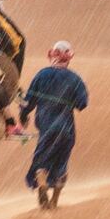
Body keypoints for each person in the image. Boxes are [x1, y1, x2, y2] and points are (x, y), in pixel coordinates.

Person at [21, 40, 90, 204]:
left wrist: (24, 116)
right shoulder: (75, 79)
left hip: (46, 126)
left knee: (41, 161)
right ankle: (54, 201)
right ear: (69, 58)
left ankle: (42, 182)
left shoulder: (41, 75)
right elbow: (82, 104)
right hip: (66, 128)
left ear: (51, 55)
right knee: (62, 162)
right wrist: (69, 100)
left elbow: (28, 101)